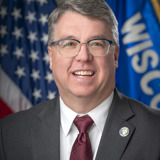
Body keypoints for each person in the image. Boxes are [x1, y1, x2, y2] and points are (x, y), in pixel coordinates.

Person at [1, 0, 160, 160]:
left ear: (115, 56)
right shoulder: (8, 133)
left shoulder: (156, 131)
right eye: (70, 44)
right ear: (51, 56)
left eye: (96, 44)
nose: (83, 56)